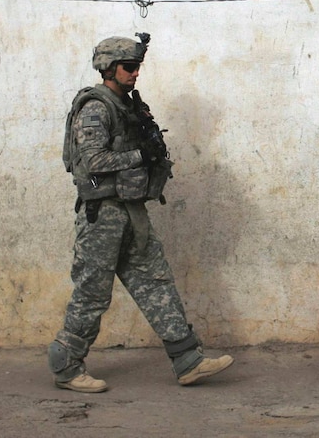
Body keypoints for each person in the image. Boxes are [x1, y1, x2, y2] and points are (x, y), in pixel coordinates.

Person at [48, 33, 233, 393]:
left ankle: (187, 360)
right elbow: (94, 160)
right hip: (102, 215)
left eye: (137, 67)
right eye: (129, 67)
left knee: (155, 283)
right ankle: (66, 365)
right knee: (92, 293)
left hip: (131, 211)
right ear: (108, 68)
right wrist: (140, 156)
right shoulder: (96, 107)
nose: (135, 74)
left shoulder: (128, 106)